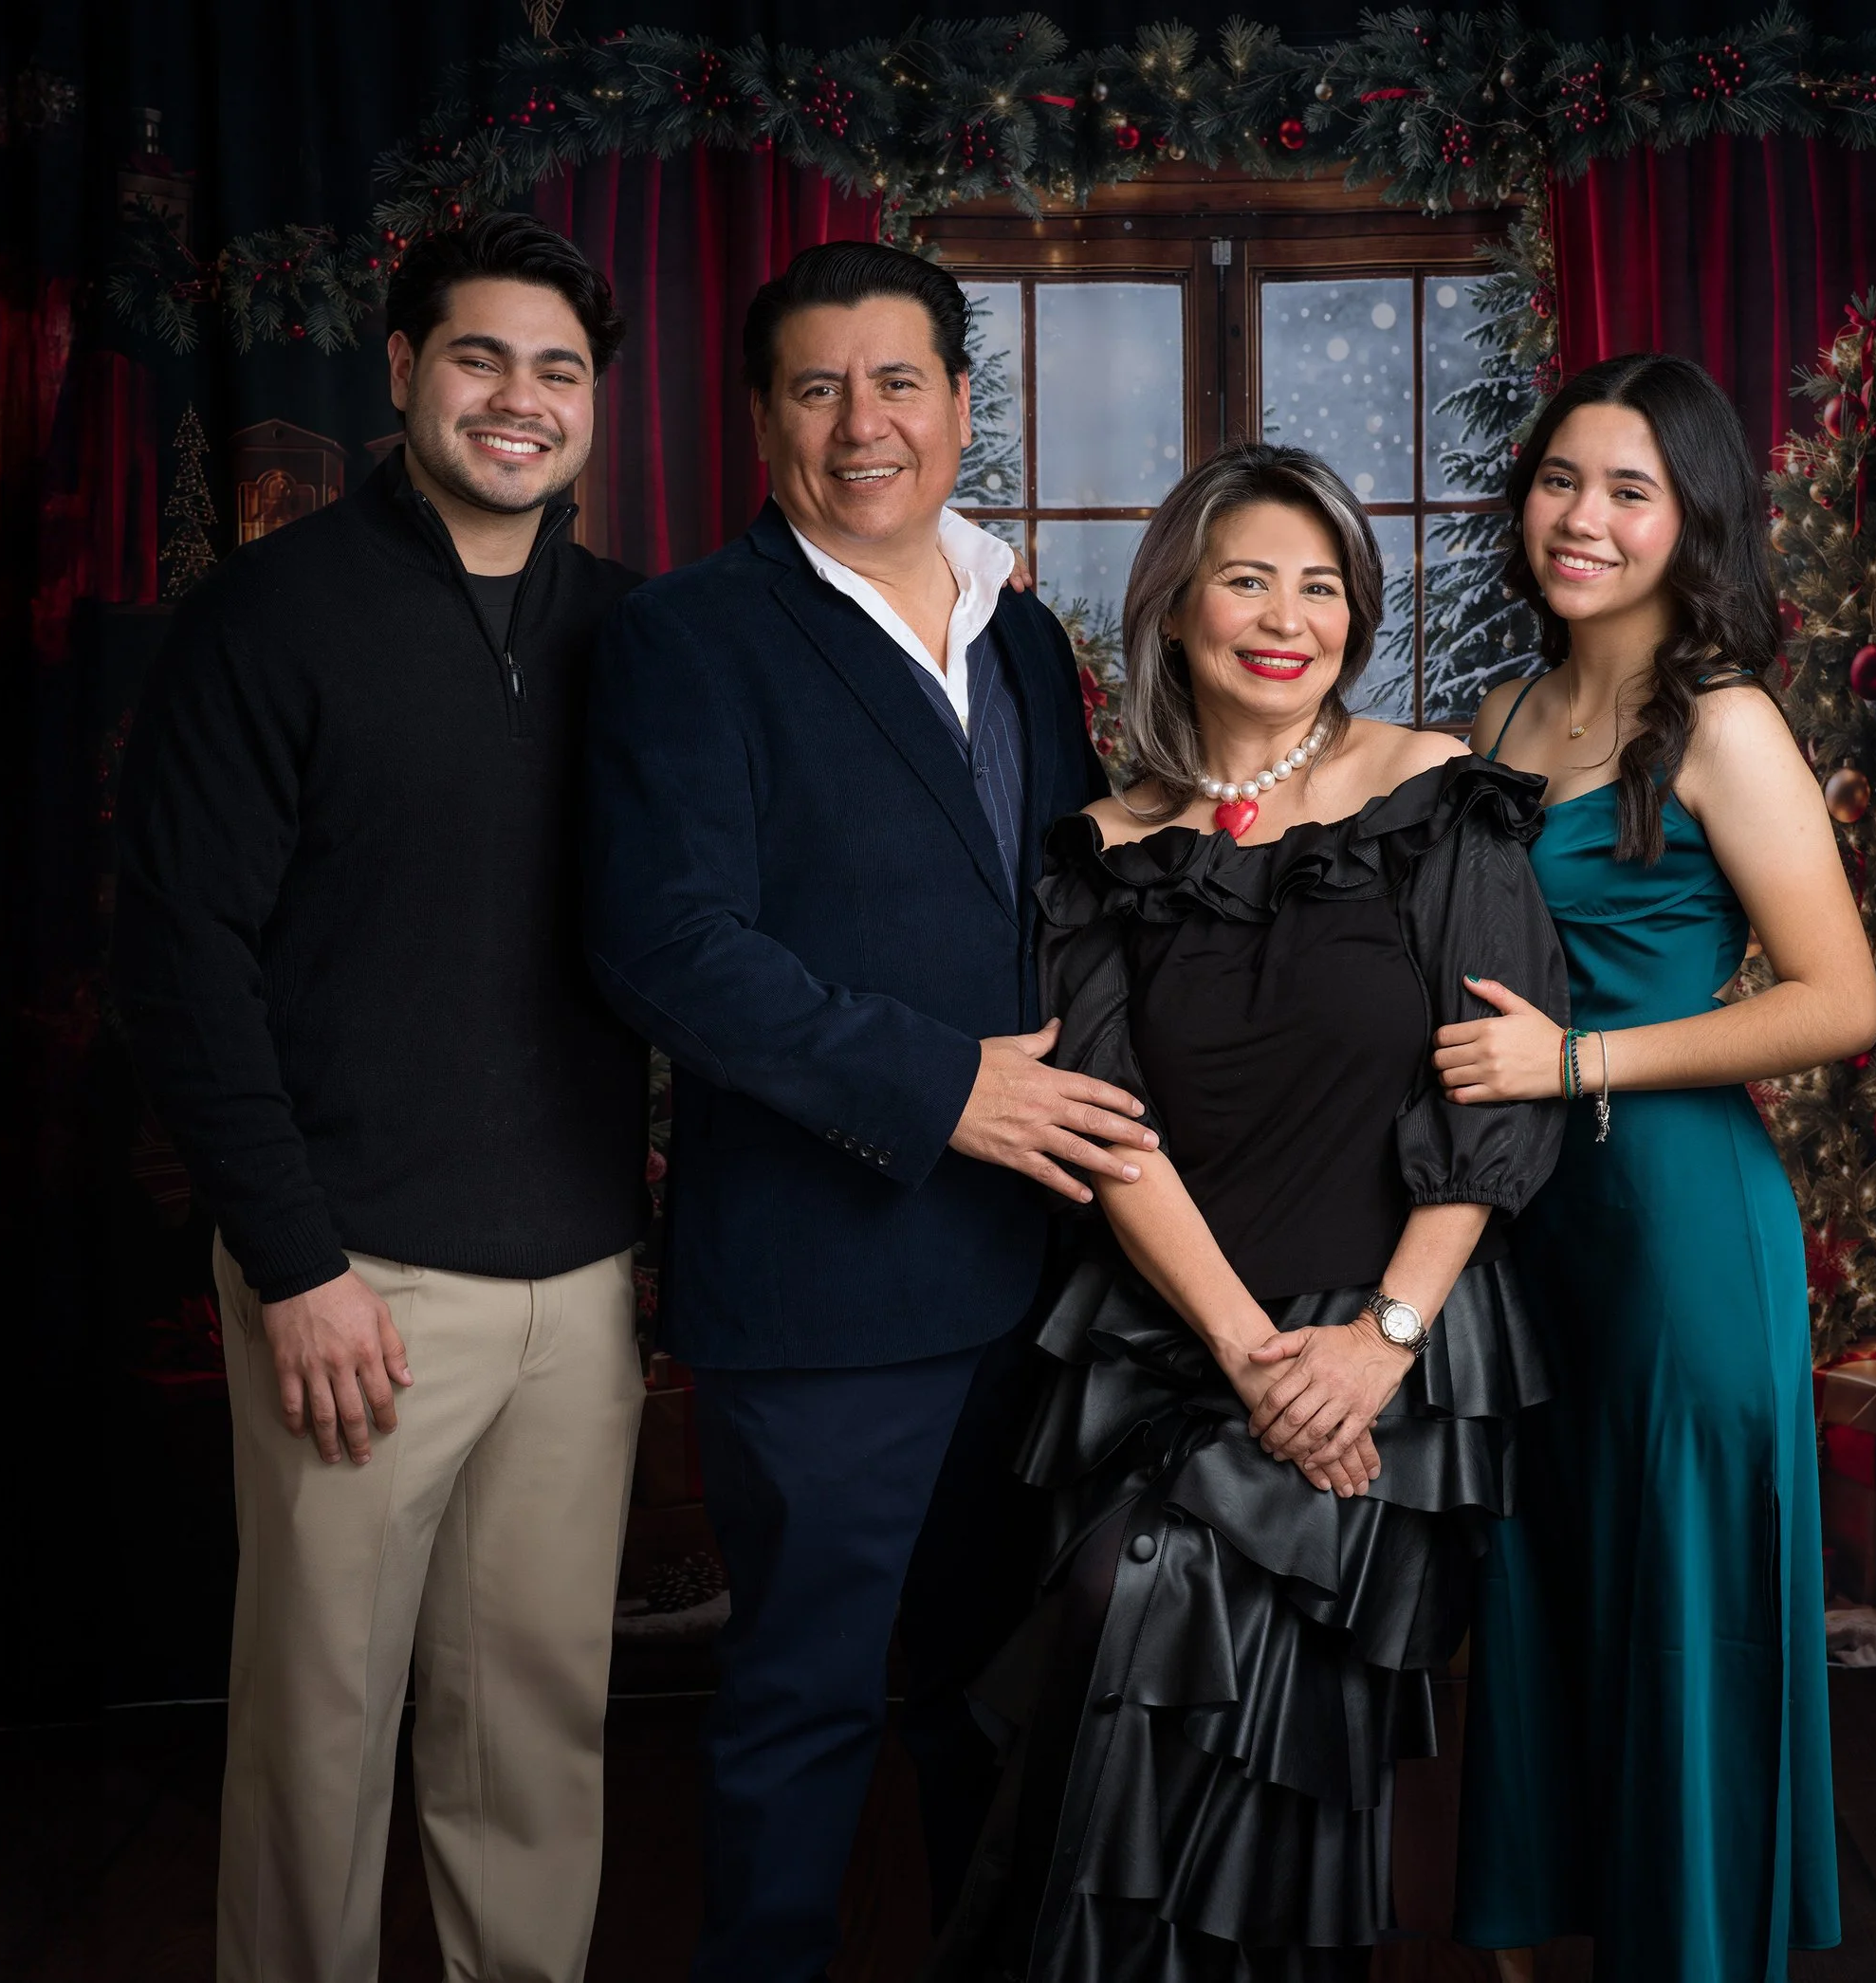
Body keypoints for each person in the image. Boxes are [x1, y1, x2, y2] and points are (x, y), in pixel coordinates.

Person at [928, 443, 1571, 1982]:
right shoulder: (1107, 850)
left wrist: (1374, 1344)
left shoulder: (1436, 795)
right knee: (1120, 1655)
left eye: (1322, 585)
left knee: (1264, 1742)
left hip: (1393, 1356)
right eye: (1249, 580)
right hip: (1178, 1345)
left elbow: (1495, 1104)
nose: (1290, 618)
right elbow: (1111, 1131)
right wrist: (1253, 1360)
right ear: (1176, 606)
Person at [582, 240, 1133, 1983]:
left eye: (897, 382)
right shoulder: (687, 636)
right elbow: (666, 946)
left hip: (1035, 1280)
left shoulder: (1025, 631)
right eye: (816, 389)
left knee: (1000, 1694)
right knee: (806, 1704)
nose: (861, 423)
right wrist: (946, 1083)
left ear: (962, 406)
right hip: (820, 1286)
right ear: (763, 419)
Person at [111, 214, 647, 1983]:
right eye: (480, 357)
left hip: (581, 1272)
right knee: (321, 1731)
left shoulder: (634, 633)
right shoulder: (269, 618)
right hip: (356, 1279)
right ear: (405, 368)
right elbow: (182, 963)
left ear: (593, 403)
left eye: (558, 369)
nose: (519, 398)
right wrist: (295, 1262)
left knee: (538, 1728)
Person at [1444, 353, 1876, 1982]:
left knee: (1684, 1606)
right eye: (1562, 479)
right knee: (1555, 1580)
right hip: (1533, 1228)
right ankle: (1552, 1920)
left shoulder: (1727, 722)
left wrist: (1578, 1063)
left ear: (1693, 518)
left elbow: (1841, 1000)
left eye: (1630, 489)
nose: (1584, 517)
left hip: (1683, 1226)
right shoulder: (1499, 715)